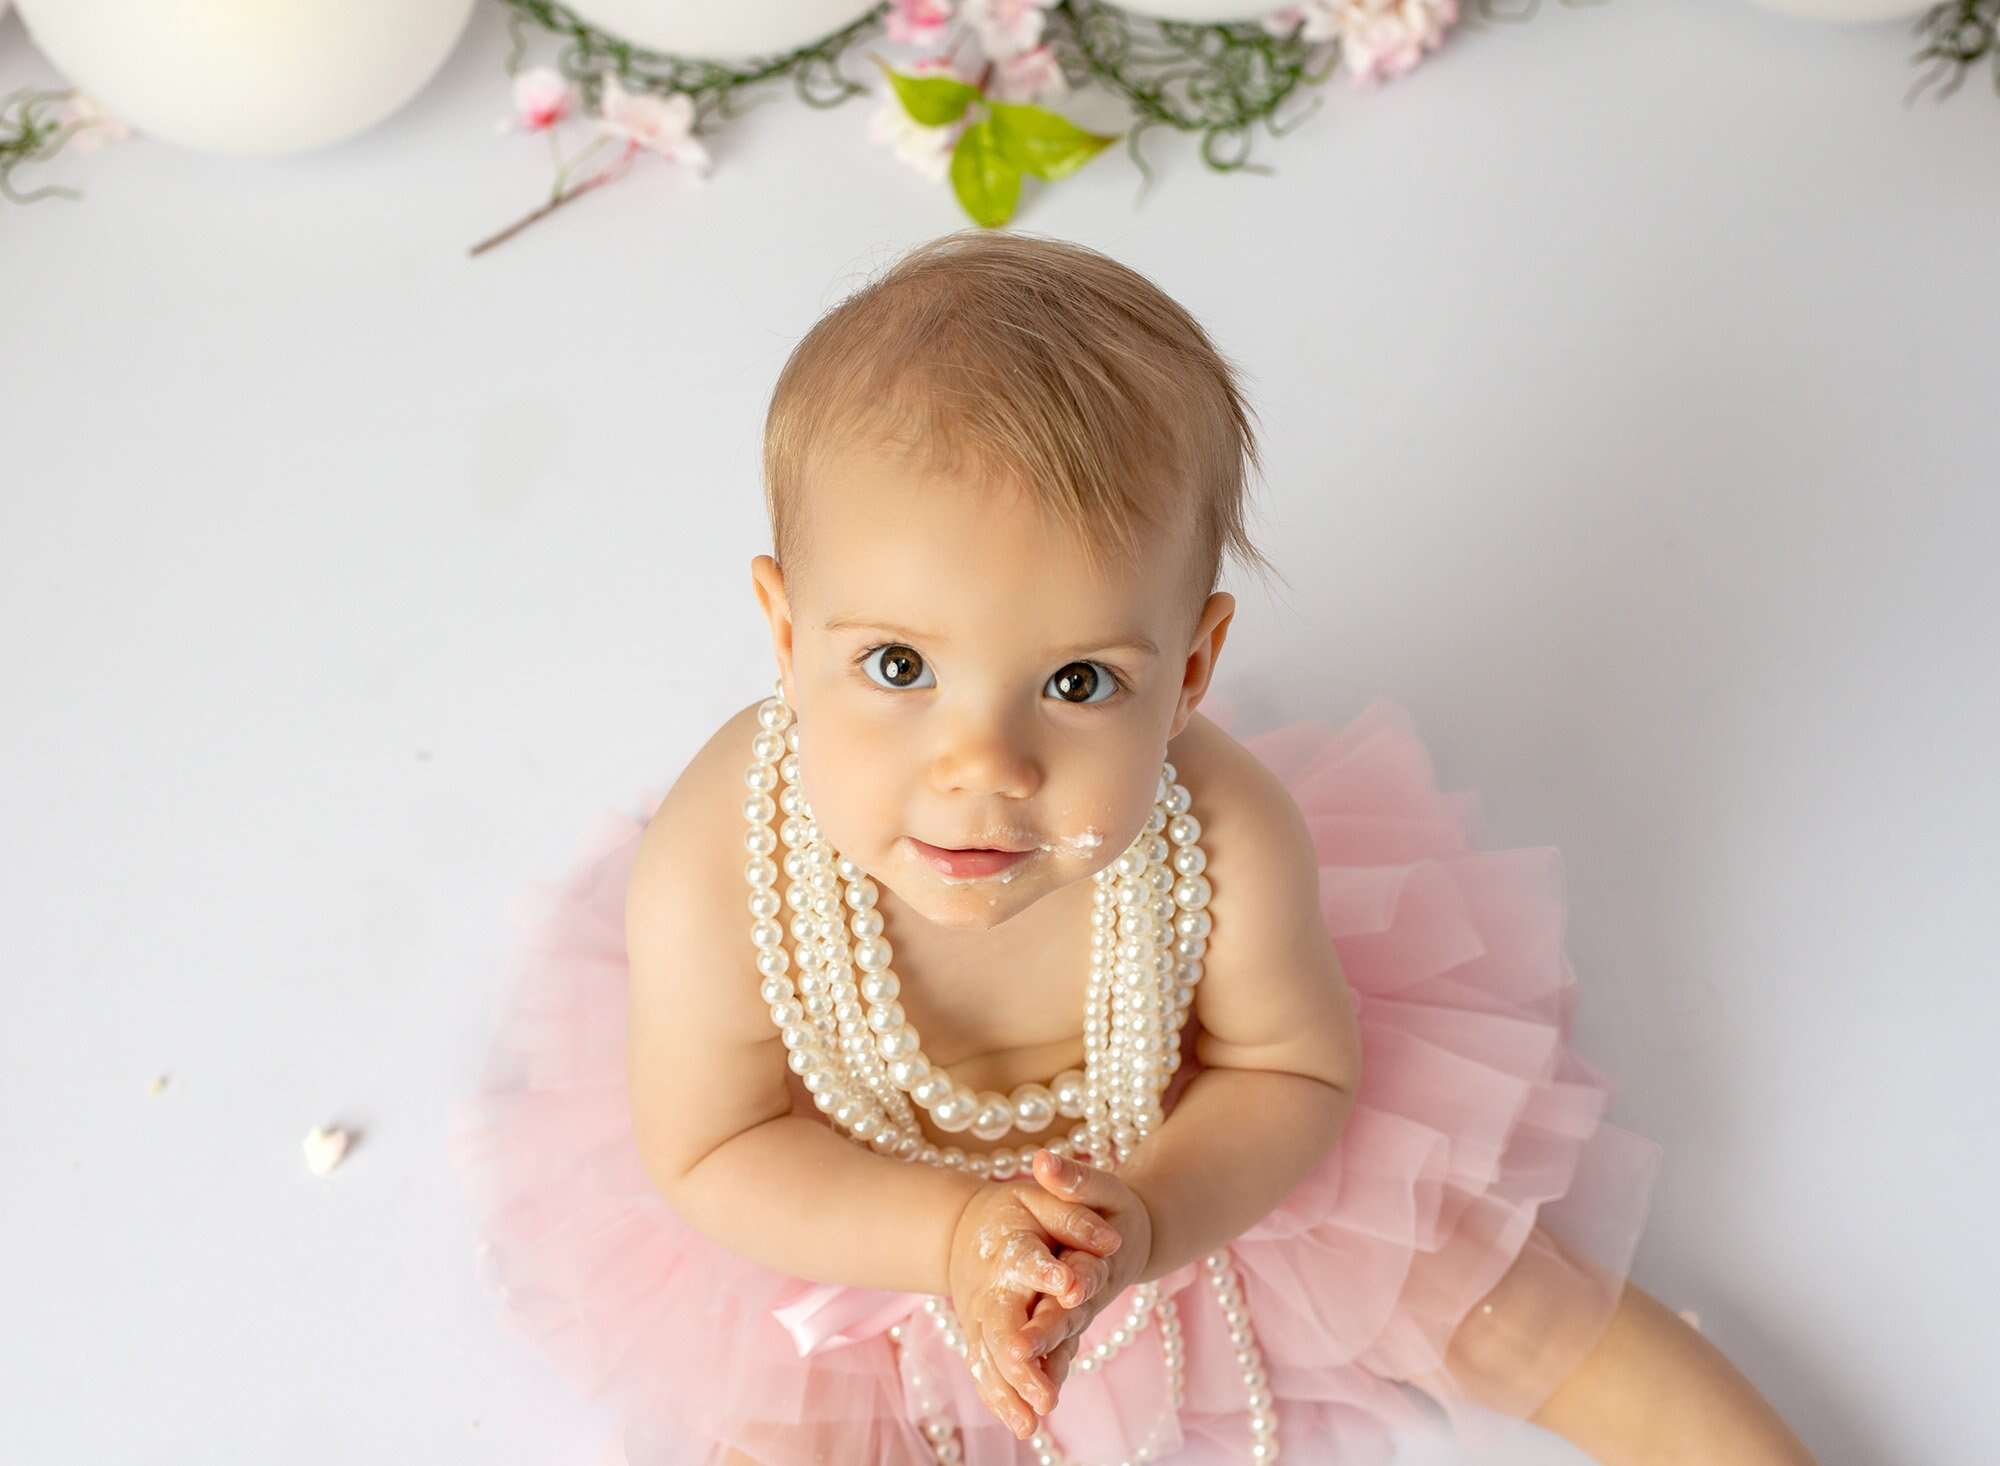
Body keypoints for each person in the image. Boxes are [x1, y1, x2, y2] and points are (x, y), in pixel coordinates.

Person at [452, 230, 1814, 1466]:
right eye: (896, 662)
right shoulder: (718, 866)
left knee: (1508, 1299)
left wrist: (1149, 1220)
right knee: (785, 1436)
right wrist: (946, 1237)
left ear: (1193, 669)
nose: (983, 764)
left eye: (1080, 682)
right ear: (784, 628)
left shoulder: (1222, 839)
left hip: (1179, 1167)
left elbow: (1290, 1067)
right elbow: (714, 1148)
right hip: (850, 1225)